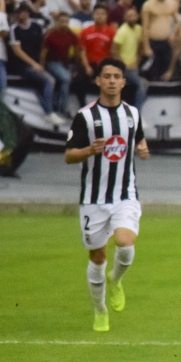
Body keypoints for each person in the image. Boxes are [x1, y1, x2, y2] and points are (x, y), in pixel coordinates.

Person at [64, 57, 151, 332]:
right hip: (93, 199)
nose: (112, 81)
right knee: (97, 257)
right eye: (107, 76)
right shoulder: (85, 117)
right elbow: (69, 155)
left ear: (124, 82)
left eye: (117, 76)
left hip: (125, 193)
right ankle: (100, 310)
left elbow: (138, 139)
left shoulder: (133, 114)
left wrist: (143, 149)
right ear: (98, 81)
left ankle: (116, 279)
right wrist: (89, 150)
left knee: (125, 242)